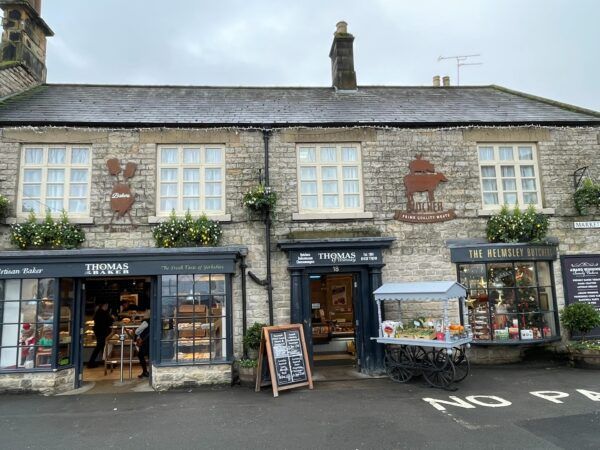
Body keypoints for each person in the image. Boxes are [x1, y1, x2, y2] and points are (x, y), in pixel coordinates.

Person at [87, 302, 114, 369]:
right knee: (101, 347)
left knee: (101, 347)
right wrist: (112, 318)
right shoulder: (103, 313)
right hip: (102, 333)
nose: (107, 307)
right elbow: (109, 321)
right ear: (104, 305)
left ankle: (104, 363)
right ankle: (92, 363)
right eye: (106, 305)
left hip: (99, 332)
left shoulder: (98, 312)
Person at [132, 310, 150, 378]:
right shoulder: (154, 321)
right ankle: (149, 372)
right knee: (149, 356)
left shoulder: (145, 322)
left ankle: (145, 371)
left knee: (140, 355)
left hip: (145, 342)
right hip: (151, 342)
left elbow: (137, 331)